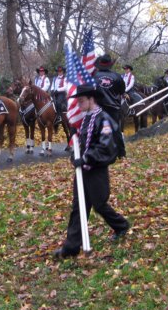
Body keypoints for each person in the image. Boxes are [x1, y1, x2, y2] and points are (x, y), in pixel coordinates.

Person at [52, 84, 130, 259]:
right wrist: (75, 148)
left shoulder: (104, 119)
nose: (78, 105)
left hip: (97, 170)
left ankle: (121, 225)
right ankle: (70, 248)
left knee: (99, 204)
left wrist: (86, 159)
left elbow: (105, 146)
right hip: (84, 170)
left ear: (91, 99)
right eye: (77, 101)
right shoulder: (87, 118)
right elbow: (84, 143)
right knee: (78, 207)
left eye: (81, 101)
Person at [93, 54, 127, 158]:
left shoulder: (94, 76)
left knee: (96, 129)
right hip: (113, 108)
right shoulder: (117, 76)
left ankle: (98, 152)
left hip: (98, 108)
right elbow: (122, 91)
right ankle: (121, 153)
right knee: (115, 130)